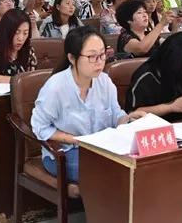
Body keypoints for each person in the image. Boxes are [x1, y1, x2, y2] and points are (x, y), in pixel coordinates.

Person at [30, 26, 145, 182]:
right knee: (107, 171)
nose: (99, 62)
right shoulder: (55, 88)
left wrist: (130, 119)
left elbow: (115, 115)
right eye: (92, 56)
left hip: (101, 149)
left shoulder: (104, 82)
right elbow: (40, 127)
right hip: (65, 152)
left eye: (102, 55)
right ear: (72, 58)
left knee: (135, 164)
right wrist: (75, 139)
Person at [127, 32, 182, 120]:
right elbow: (133, 113)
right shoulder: (146, 76)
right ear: (174, 63)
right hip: (154, 125)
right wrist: (171, 107)